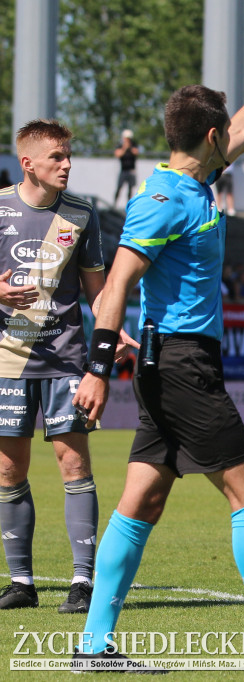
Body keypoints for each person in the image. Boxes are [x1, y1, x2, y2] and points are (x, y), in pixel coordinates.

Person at [70, 42, 244, 675]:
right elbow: (116, 284)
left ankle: (93, 646)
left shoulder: (200, 179)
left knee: (141, 500)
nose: (234, 135)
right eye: (223, 130)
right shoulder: (166, 199)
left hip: (176, 364)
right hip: (180, 369)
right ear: (207, 134)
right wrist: (96, 367)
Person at [0, 119, 135, 614]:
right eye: (56, 157)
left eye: (68, 156)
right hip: (7, 361)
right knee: (8, 470)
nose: (67, 164)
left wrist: (113, 329)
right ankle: (22, 582)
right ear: (28, 162)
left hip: (66, 358)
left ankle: (82, 581)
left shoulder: (82, 214)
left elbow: (99, 292)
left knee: (73, 464)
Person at [113, 129, 139, 207]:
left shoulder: (133, 145)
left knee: (130, 190)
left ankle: (128, 205)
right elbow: (117, 154)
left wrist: (129, 147)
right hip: (123, 171)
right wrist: (125, 147)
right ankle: (114, 204)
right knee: (119, 188)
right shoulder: (120, 146)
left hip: (131, 171)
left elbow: (136, 152)